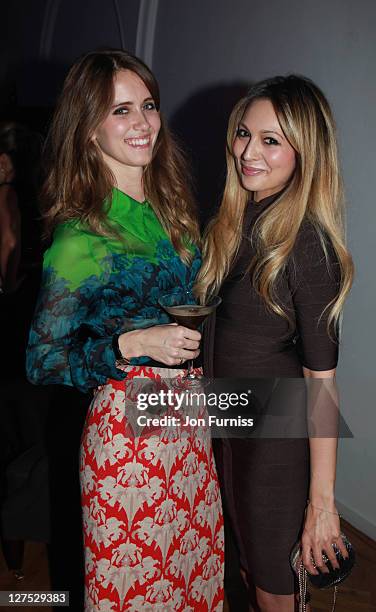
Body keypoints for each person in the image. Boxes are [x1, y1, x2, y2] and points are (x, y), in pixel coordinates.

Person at [26, 49, 224, 611]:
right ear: (88, 129)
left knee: (192, 579)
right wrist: (132, 343)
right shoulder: (79, 237)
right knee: (134, 592)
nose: (142, 123)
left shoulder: (174, 208)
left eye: (149, 105)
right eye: (120, 111)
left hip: (188, 421)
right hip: (127, 438)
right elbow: (42, 361)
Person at [196, 75, 354, 611]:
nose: (249, 152)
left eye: (271, 140)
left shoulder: (307, 242)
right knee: (245, 571)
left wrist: (323, 504)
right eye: (244, 133)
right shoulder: (232, 223)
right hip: (229, 425)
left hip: (275, 446)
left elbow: (322, 384)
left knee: (275, 589)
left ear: (305, 153)